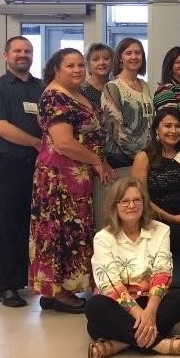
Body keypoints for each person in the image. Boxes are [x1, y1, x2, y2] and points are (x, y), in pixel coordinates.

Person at [29, 48, 117, 313]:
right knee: (61, 233)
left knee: (74, 232)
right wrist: (96, 161)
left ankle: (60, 290)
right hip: (59, 178)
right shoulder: (54, 96)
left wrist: (99, 161)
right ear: (56, 69)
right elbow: (64, 143)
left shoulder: (76, 93)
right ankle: (59, 293)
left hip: (77, 177)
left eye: (80, 64)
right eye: (70, 66)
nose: (78, 69)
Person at [85, 177, 180, 358]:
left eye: (137, 200)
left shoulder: (161, 230)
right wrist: (140, 315)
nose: (131, 205)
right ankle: (162, 345)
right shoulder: (103, 237)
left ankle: (118, 344)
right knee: (94, 307)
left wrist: (150, 312)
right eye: (125, 201)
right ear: (115, 206)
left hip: (150, 300)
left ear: (144, 204)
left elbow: (162, 273)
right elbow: (109, 284)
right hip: (118, 304)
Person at [0, 36, 43, 307]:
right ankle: (7, 286)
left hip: (41, 169)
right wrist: (37, 143)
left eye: (27, 51)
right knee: (7, 226)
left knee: (34, 226)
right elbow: (2, 127)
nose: (23, 55)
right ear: (5, 55)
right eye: (17, 50)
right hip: (10, 167)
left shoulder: (42, 88)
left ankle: (27, 279)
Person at [131, 108, 180, 294]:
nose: (173, 130)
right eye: (167, 126)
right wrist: (172, 218)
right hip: (157, 220)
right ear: (157, 129)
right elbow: (141, 199)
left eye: (177, 126)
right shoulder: (144, 157)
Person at [102, 38, 153, 168]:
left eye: (138, 53)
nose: (134, 57)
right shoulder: (112, 87)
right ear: (120, 58)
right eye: (128, 53)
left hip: (146, 155)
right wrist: (138, 155)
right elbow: (115, 128)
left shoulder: (145, 85)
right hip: (121, 158)